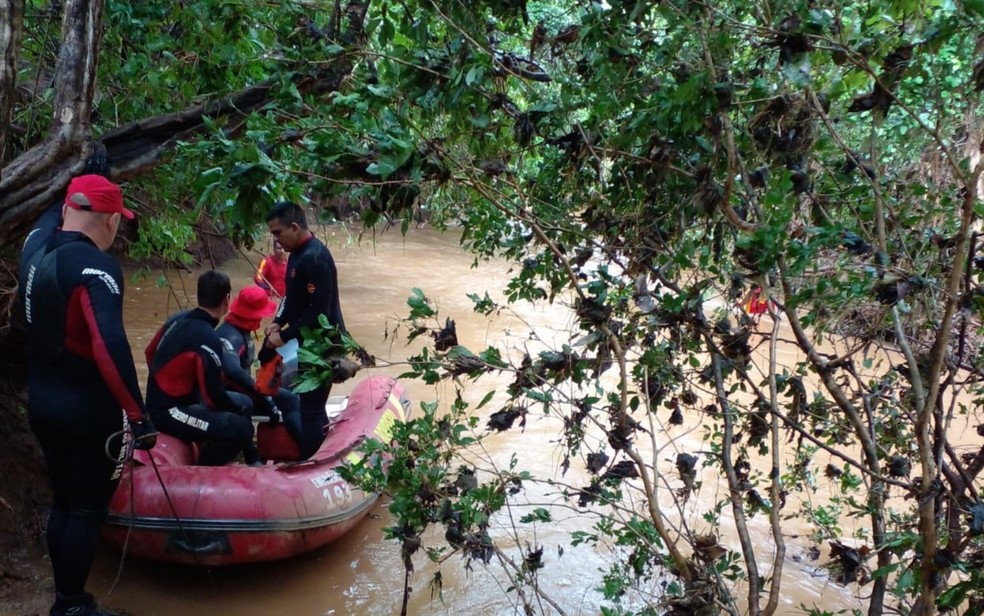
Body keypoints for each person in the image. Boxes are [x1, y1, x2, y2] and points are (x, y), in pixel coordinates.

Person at [18, 173, 156, 616]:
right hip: (88, 412)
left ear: (66, 210)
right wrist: (139, 416)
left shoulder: (33, 247)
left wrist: (78, 173)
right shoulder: (97, 268)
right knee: (85, 511)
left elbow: (45, 216)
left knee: (63, 502)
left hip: (40, 402)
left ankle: (65, 596)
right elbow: (109, 346)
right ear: (112, 220)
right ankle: (72, 606)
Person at [145, 270, 261, 466]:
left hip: (171, 401)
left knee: (246, 403)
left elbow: (150, 353)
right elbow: (213, 398)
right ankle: (202, 469)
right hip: (169, 411)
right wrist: (235, 410)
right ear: (227, 300)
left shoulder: (177, 319)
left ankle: (252, 460)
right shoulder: (208, 337)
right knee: (243, 429)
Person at [263, 201, 347, 459]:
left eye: (278, 233)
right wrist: (278, 320)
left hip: (325, 342)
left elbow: (318, 314)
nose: (275, 240)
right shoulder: (297, 254)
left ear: (295, 227)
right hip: (310, 342)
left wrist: (284, 336)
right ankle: (316, 454)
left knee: (311, 409)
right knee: (310, 405)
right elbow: (292, 296)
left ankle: (314, 464)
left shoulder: (315, 257)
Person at [216, 286, 303, 447]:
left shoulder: (241, 329)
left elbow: (258, 366)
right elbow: (232, 371)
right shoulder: (230, 336)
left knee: (291, 392)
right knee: (290, 400)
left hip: (243, 389)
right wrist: (265, 399)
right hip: (228, 394)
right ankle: (306, 448)